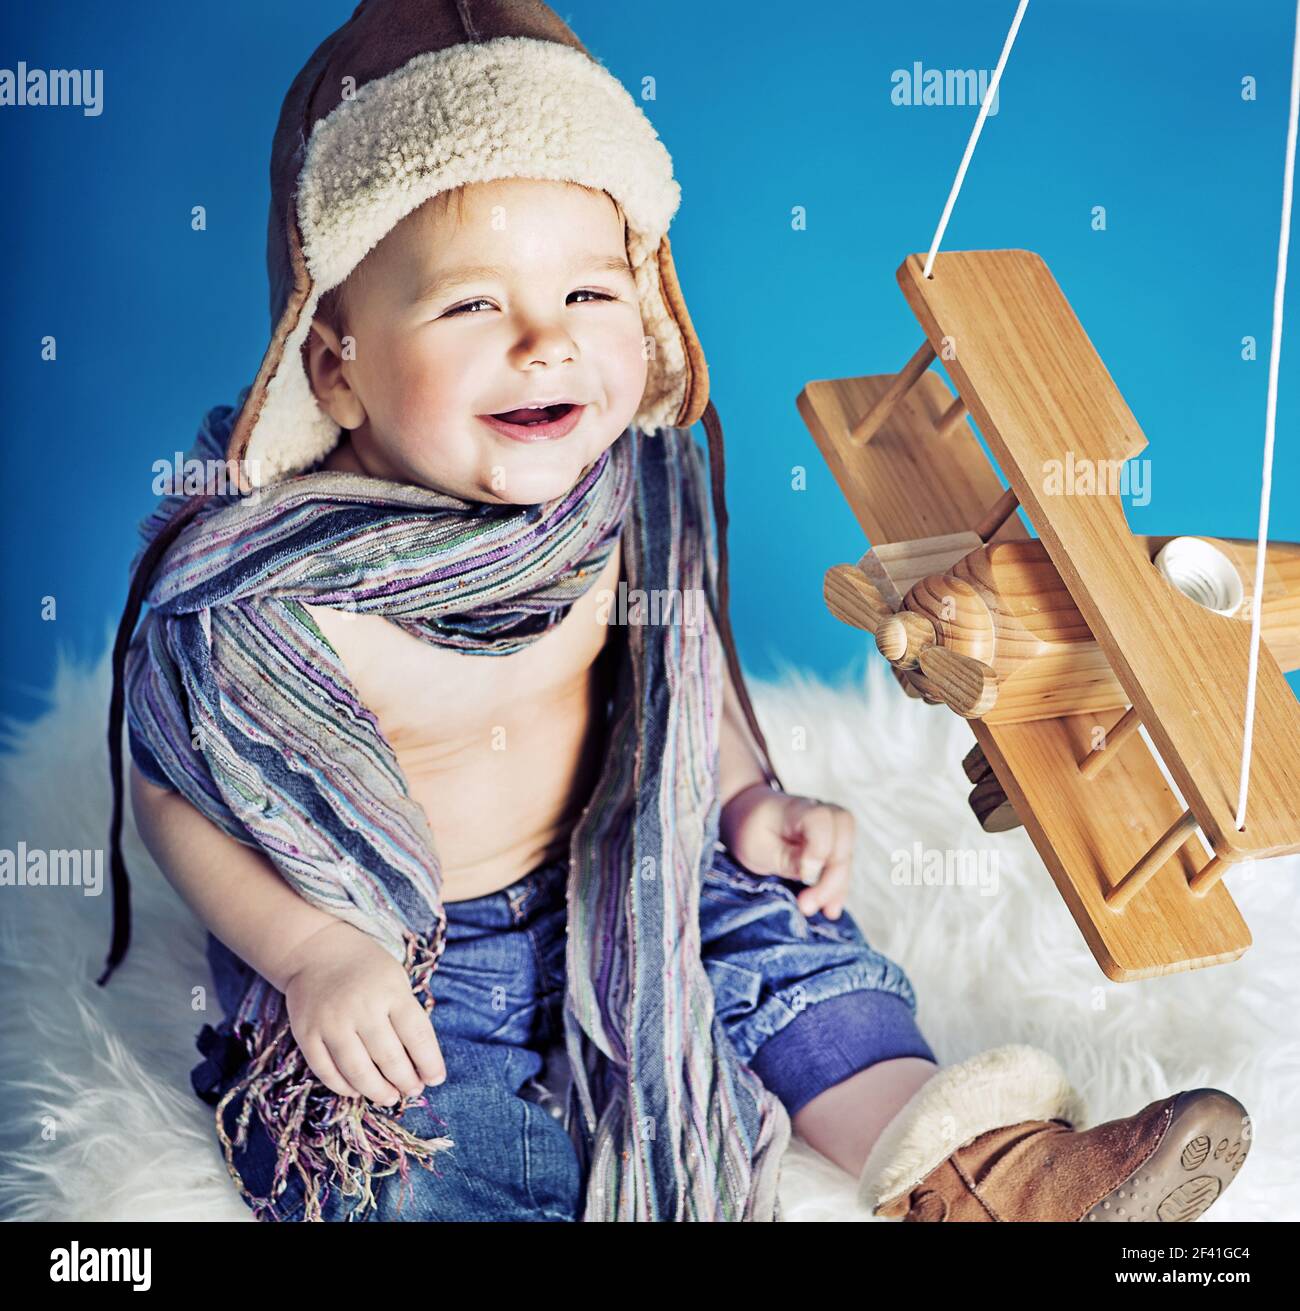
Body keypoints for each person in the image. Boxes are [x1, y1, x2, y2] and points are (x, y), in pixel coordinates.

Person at [108, 0, 1250, 1223]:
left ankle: (983, 1176)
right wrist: (307, 955)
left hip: (630, 862)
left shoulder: (619, 494)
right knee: (393, 1141)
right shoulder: (270, 593)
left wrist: (750, 795)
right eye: (471, 307)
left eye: (591, 297)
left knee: (793, 954)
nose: (547, 344)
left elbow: (673, 668)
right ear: (334, 363)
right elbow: (174, 791)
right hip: (408, 954)